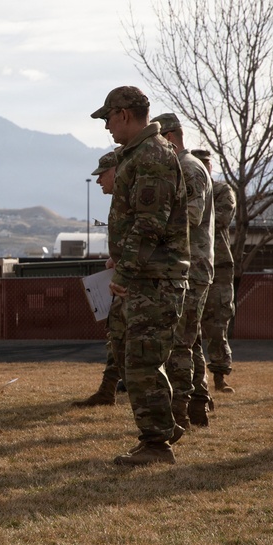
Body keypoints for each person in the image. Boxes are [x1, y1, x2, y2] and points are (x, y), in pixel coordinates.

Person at [91, 86, 188, 465]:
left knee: (142, 361)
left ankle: (156, 443)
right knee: (133, 357)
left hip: (154, 280)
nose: (107, 127)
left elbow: (150, 224)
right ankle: (160, 430)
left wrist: (126, 273)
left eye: (108, 119)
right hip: (145, 277)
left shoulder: (152, 155)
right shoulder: (138, 154)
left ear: (125, 114)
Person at [154, 113, 214, 429]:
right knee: (189, 340)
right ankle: (197, 408)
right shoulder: (185, 168)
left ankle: (178, 415)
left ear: (173, 136)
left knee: (179, 344)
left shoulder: (189, 169)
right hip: (190, 266)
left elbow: (189, 218)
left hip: (191, 268)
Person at [72, 150, 124, 407]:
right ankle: (108, 390)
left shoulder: (128, 198)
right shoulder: (121, 199)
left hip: (136, 280)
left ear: (116, 170)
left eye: (102, 174)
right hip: (124, 276)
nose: (99, 180)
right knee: (116, 335)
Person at [193, 148, 238, 394]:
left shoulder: (221, 191)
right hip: (193, 265)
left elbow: (220, 219)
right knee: (190, 324)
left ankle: (220, 377)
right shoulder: (186, 191)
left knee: (217, 324)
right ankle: (193, 379)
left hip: (218, 266)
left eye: (206, 164)